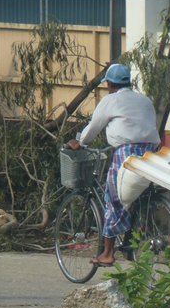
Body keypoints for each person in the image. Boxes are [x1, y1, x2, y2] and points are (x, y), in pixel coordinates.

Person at [67, 63, 161, 267]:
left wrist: (80, 142)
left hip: (126, 152)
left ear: (110, 84)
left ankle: (107, 253)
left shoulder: (111, 100)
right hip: (152, 153)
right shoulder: (144, 100)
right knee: (136, 196)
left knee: (113, 198)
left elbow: (94, 126)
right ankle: (130, 240)